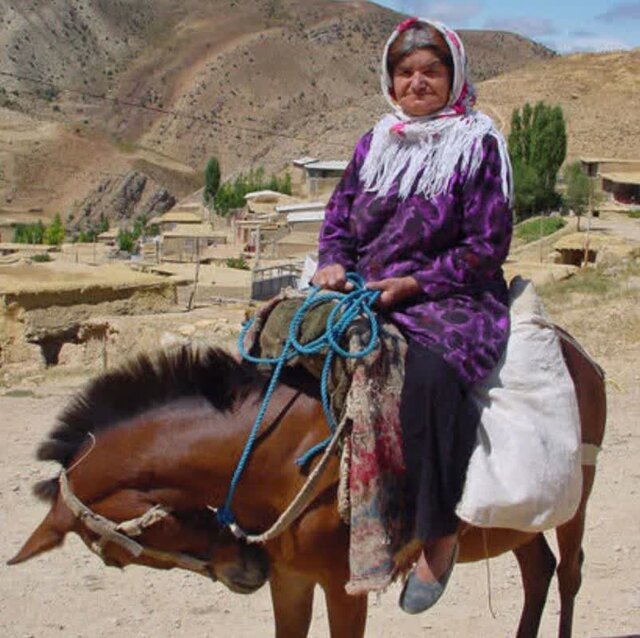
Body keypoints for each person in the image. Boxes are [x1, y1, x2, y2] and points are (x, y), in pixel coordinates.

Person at [312, 18, 513, 613]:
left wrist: (415, 283)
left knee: (429, 382)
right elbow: (338, 218)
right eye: (406, 72)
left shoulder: (478, 142)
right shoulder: (375, 142)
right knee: (281, 347)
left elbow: (486, 246)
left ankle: (438, 529)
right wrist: (330, 262)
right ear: (390, 82)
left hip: (451, 297)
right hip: (367, 288)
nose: (418, 81)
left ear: (453, 77)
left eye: (431, 71)